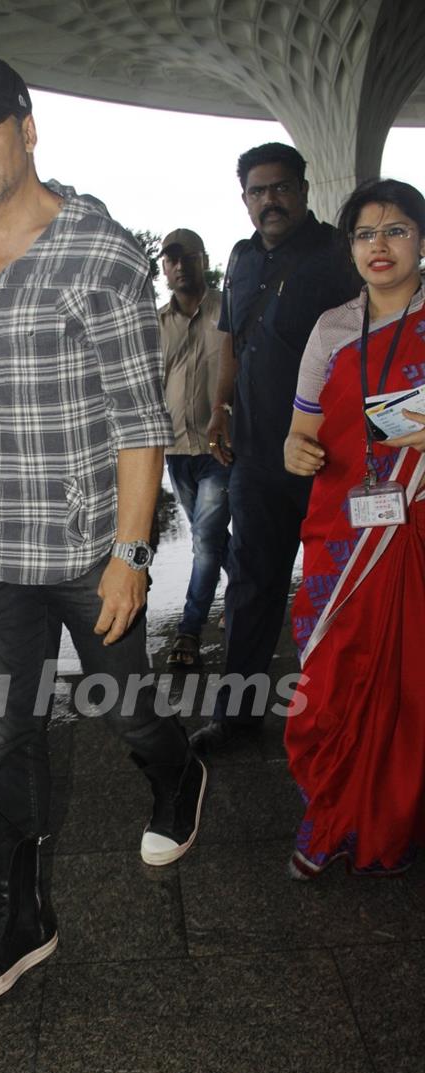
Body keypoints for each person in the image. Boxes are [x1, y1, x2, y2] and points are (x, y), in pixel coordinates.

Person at [0, 54, 207, 1005]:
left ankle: (177, 773)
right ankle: (22, 919)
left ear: (28, 127)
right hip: (0, 558)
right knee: (13, 735)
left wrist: (130, 558)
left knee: (129, 708)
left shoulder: (104, 254)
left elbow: (139, 422)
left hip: (90, 551)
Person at [191, 143, 359, 753]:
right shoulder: (238, 259)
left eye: (280, 188)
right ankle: (237, 718)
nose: (270, 200)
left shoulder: (338, 257)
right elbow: (231, 344)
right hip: (258, 458)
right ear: (245, 199)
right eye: (258, 192)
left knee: (335, 588)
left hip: (327, 459)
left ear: (303, 189)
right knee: (251, 585)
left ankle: (344, 713)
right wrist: (218, 410)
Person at [283, 178, 425, 878]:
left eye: (396, 230)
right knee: (334, 675)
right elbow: (299, 433)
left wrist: (383, 426)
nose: (380, 245)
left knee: (411, 681)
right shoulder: (332, 329)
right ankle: (331, 811)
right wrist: (299, 448)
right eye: (365, 233)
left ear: (421, 242)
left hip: (419, 529)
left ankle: (397, 816)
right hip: (344, 533)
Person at [158, 229, 230, 669]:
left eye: (188, 257)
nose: (181, 265)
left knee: (204, 540)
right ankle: (246, 593)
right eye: (172, 259)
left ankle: (189, 629)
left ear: (204, 260)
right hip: (175, 450)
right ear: (164, 268)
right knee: (213, 538)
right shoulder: (156, 323)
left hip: (221, 446)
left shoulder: (230, 310)